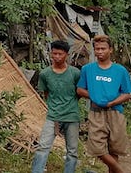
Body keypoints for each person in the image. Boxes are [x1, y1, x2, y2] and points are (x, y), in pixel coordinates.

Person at [76, 35, 131, 173]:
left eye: (103, 49)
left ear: (111, 50)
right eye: (97, 49)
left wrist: (112, 102)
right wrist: (94, 97)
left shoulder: (120, 71)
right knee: (97, 148)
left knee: (115, 148)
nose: (100, 52)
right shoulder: (87, 69)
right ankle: (120, 170)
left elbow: (128, 93)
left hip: (116, 112)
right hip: (96, 112)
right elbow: (79, 89)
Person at [31, 40, 81, 173]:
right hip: (53, 116)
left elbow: (79, 92)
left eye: (60, 54)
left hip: (72, 116)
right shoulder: (45, 74)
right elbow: (46, 93)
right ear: (50, 54)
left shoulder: (75, 73)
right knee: (43, 147)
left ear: (67, 55)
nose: (57, 57)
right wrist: (55, 106)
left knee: (72, 150)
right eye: (54, 54)